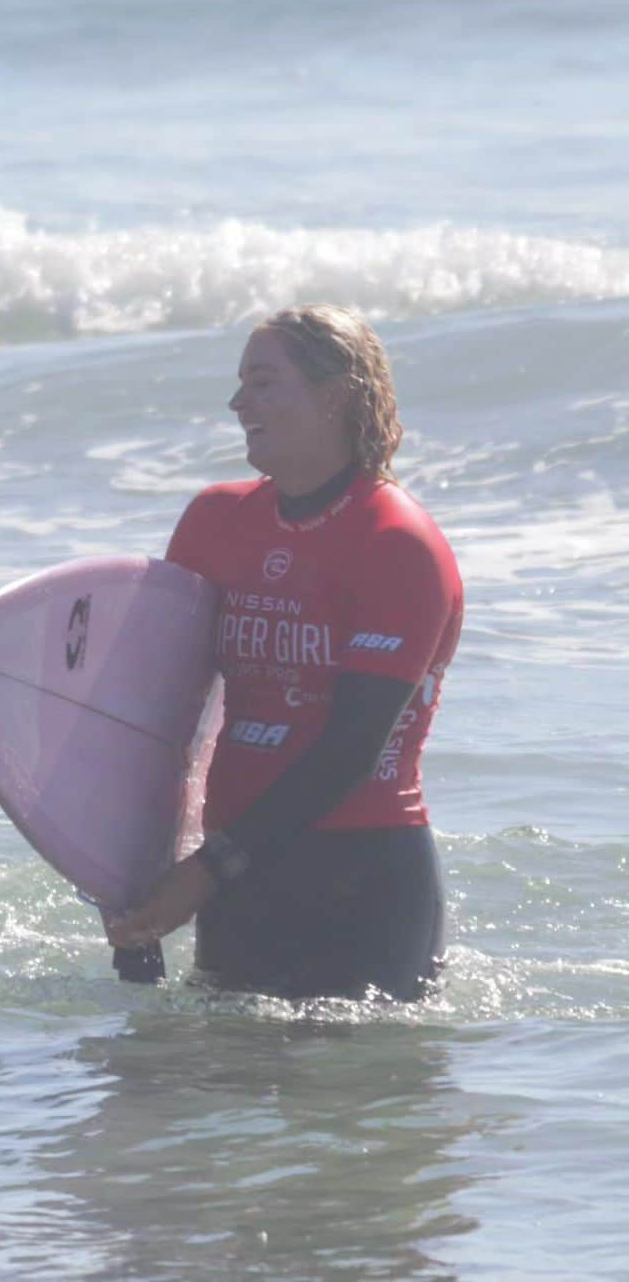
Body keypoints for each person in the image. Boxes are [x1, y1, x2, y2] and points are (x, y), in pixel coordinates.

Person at [107, 305, 463, 1001]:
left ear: (338, 395)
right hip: (236, 874)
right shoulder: (215, 521)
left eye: (265, 382)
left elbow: (350, 750)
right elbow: (160, 718)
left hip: (360, 880)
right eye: (241, 383)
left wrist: (203, 873)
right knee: (202, 1090)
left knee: (341, 1106)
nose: (238, 402)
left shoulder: (395, 542)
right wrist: (133, 887)